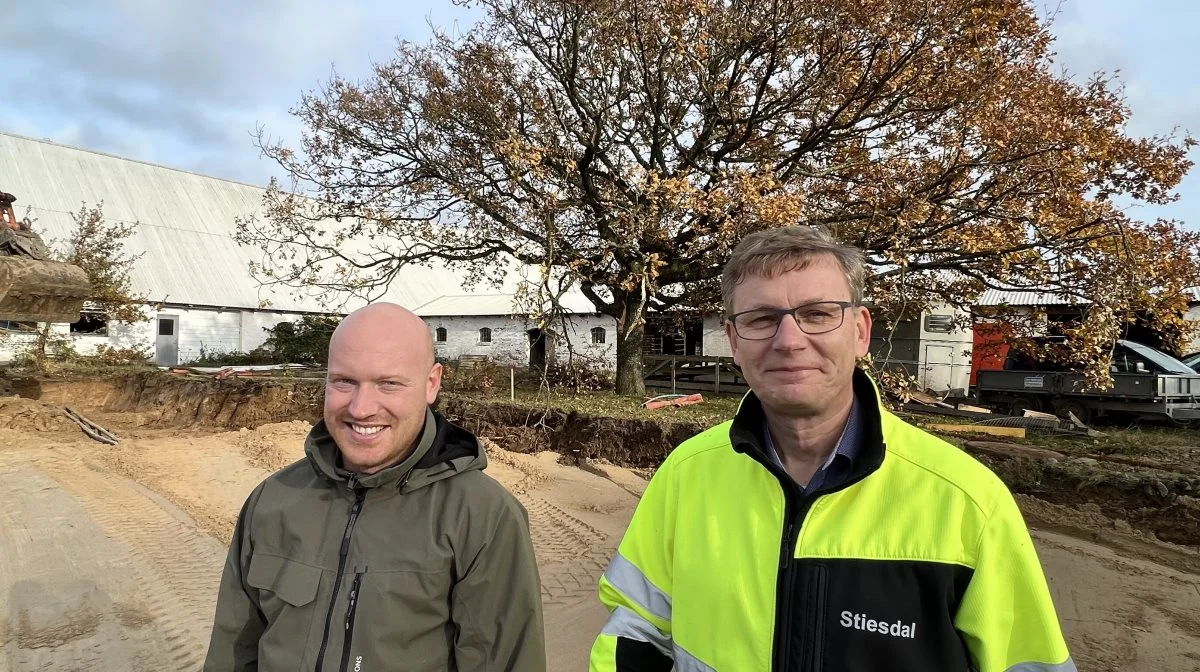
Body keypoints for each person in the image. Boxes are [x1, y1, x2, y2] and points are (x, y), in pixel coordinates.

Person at [589, 226, 1074, 671]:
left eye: (817, 314)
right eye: (761, 319)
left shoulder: (967, 500)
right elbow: (635, 630)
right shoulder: (686, 475)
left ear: (861, 331)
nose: (789, 341)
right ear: (734, 341)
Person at [203, 302, 546, 672]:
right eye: (344, 381)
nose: (362, 408)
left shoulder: (481, 517)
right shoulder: (273, 500)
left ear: (432, 383)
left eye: (389, 383)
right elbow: (232, 652)